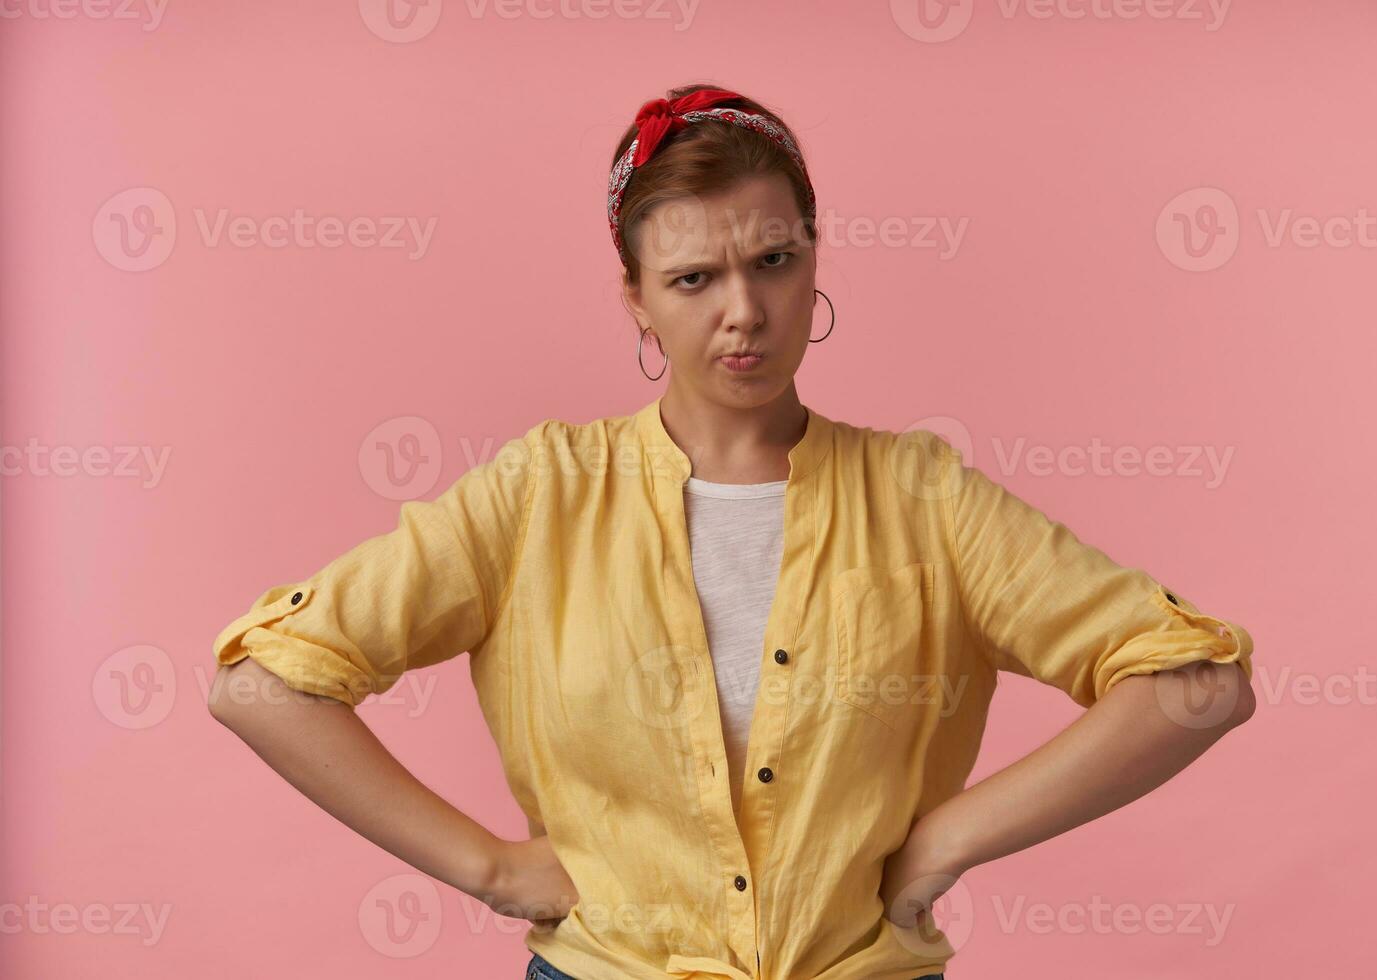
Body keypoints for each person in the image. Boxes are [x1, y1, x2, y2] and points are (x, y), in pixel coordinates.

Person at [208, 83, 1256, 980]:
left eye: (773, 259)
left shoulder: (924, 496)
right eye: (693, 278)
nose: (743, 310)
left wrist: (948, 836)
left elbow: (1197, 683)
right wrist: (487, 863)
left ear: (814, 259)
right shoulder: (542, 492)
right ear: (636, 300)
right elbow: (259, 680)